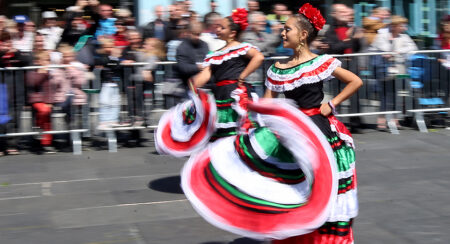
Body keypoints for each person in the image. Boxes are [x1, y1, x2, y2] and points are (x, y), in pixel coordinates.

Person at [263, 3, 362, 242]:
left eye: (287, 29)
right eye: (283, 29)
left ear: (303, 35)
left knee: (322, 186)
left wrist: (333, 103)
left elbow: (355, 81)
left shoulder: (320, 62)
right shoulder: (278, 69)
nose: (282, 33)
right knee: (295, 189)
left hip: (319, 130)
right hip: (292, 132)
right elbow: (266, 105)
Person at [191, 8, 264, 140]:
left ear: (232, 33)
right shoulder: (215, 54)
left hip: (236, 95)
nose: (218, 29)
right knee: (222, 134)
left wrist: (243, 75)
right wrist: (192, 86)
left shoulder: (242, 48)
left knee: (239, 132)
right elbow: (205, 75)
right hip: (220, 95)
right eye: (217, 26)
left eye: (222, 27)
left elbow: (259, 57)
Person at [369, 15, 418, 129]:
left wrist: (398, 51)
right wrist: (394, 52)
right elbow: (385, 49)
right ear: (395, 26)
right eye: (402, 25)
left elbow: (413, 48)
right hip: (383, 68)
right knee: (384, 95)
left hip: (397, 69)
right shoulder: (382, 36)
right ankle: (381, 120)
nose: (404, 28)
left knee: (395, 94)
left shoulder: (404, 37)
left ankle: (394, 119)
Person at [241, 11, 281, 96]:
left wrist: (277, 32)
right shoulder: (246, 36)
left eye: (264, 21)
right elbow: (258, 48)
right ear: (252, 23)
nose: (263, 23)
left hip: (265, 77)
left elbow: (276, 41)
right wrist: (267, 49)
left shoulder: (263, 34)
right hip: (253, 79)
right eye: (260, 22)